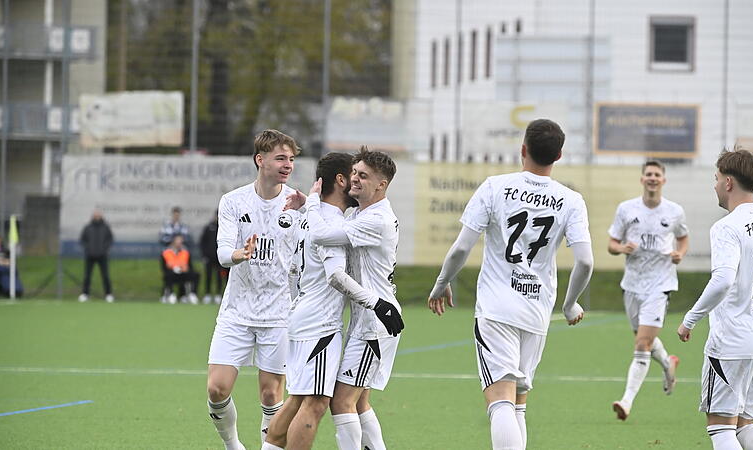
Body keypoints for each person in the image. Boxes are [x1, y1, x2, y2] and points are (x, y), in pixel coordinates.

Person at [427, 119, 593, 450]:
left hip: (496, 309)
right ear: (558, 155)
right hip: (537, 311)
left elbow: (462, 247)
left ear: (523, 149)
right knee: (518, 403)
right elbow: (586, 261)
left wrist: (441, 283)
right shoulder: (571, 200)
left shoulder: (495, 187)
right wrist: (570, 303)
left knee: (500, 401)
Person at [262, 152, 403, 450]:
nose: (355, 180)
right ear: (340, 180)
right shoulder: (336, 218)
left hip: (336, 320)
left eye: (362, 176)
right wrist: (311, 203)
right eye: (353, 174)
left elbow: (294, 266)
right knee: (321, 403)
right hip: (326, 322)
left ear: (381, 184)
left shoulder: (359, 219)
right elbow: (335, 274)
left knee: (323, 399)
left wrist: (308, 205)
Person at [677, 148, 753, 450]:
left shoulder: (727, 226)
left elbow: (722, 280)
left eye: (716, 177)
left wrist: (689, 319)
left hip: (734, 340)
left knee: (721, 427)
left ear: (728, 182)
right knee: (745, 425)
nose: (715, 184)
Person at [207, 129, 303, 450]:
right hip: (236, 312)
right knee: (217, 390)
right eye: (280, 158)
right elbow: (222, 253)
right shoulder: (234, 201)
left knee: (271, 394)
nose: (287, 164)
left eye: (291, 159)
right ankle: (233, 445)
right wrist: (240, 254)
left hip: (278, 314)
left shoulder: (297, 205)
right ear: (260, 160)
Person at [608, 160, 689, 420]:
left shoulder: (675, 211)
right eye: (648, 174)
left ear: (663, 180)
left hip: (660, 284)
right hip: (632, 285)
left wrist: (680, 253)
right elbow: (611, 243)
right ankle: (668, 364)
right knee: (646, 340)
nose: (652, 178)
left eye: (657, 175)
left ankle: (626, 402)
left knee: (642, 342)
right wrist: (621, 248)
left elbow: (683, 238)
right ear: (642, 179)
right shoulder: (626, 209)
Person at [78, 209, 115, 303]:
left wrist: (104, 249)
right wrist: (88, 249)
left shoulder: (106, 227)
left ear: (101, 216)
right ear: (93, 216)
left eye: (98, 215)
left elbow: (110, 239)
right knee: (87, 276)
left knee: (105, 276)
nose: (97, 217)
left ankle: (108, 294)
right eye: (95, 215)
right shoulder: (88, 227)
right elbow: (82, 240)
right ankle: (85, 294)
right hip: (90, 255)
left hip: (102, 256)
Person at [161, 234, 200, 304]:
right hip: (172, 273)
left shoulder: (185, 252)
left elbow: (189, 266)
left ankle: (191, 294)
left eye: (180, 240)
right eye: (177, 240)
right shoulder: (166, 252)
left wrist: (185, 269)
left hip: (183, 273)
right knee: (169, 276)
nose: (179, 242)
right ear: (173, 241)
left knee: (195, 274)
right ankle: (170, 294)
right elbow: (164, 267)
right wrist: (174, 268)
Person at [200, 211, 223, 305]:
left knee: (220, 277)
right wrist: (204, 255)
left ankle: (218, 294)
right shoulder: (209, 227)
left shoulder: (224, 228)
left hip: (220, 258)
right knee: (208, 276)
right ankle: (207, 294)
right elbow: (203, 242)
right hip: (209, 258)